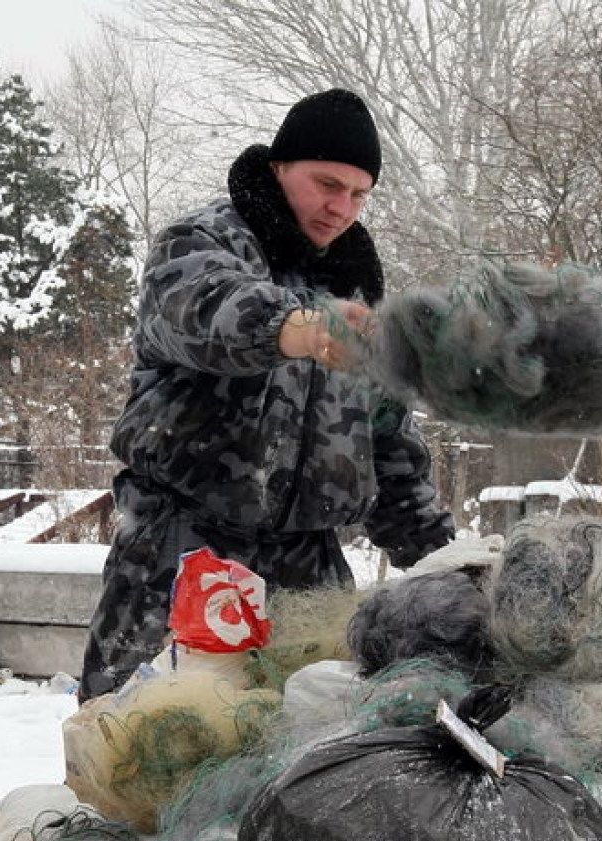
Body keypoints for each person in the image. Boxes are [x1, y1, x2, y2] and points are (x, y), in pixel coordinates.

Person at [80, 88, 455, 700]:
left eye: (359, 194)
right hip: (184, 556)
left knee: (307, 755)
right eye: (327, 184)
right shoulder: (201, 243)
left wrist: (450, 564)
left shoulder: (359, 295)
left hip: (308, 574)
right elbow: (207, 309)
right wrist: (300, 328)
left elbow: (390, 452)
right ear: (280, 166)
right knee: (146, 750)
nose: (341, 208)